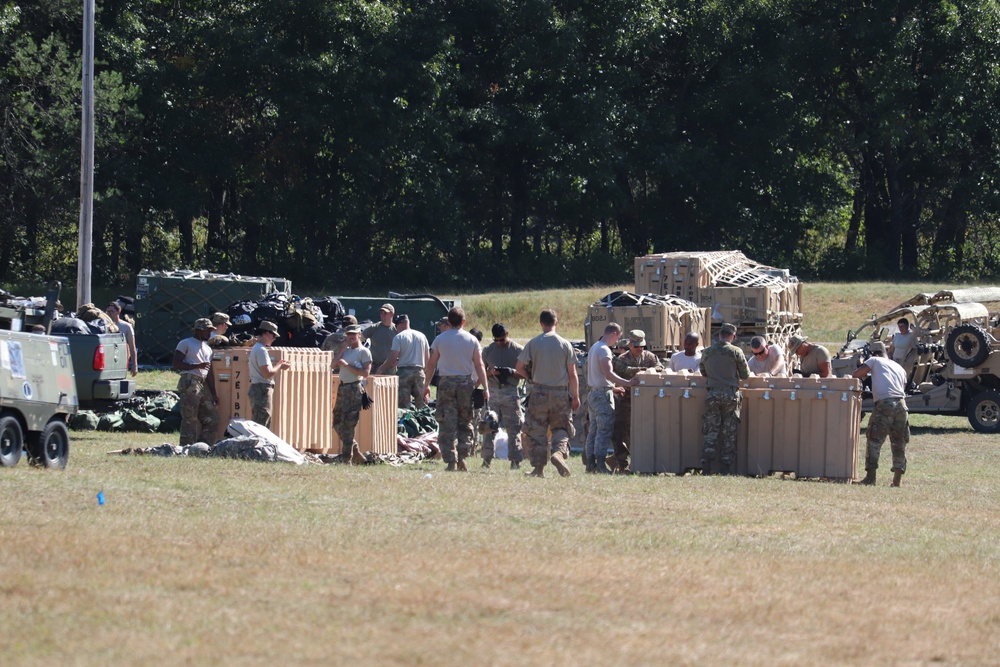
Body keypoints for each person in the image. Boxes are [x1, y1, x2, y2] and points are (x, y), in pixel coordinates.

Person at [515, 309, 581, 478]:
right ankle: (558, 453)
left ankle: (538, 469)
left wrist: (531, 376)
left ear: (541, 324)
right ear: (556, 323)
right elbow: (573, 374)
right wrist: (576, 396)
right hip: (560, 394)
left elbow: (519, 368)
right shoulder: (565, 344)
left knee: (537, 430)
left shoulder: (533, 343)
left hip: (539, 392)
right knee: (561, 427)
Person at [422, 307, 488, 471]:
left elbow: (431, 364)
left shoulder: (440, 339)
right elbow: (479, 365)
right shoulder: (472, 340)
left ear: (449, 322)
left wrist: (425, 386)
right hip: (466, 383)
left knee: (446, 422)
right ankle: (463, 458)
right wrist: (486, 387)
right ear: (463, 322)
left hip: (446, 383)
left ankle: (451, 461)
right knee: (465, 422)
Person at [852, 341, 909, 487]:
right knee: (898, 442)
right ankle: (897, 481)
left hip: (885, 404)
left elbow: (856, 374)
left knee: (874, 439)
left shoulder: (874, 360)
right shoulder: (899, 367)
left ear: (873, 352)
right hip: (902, 405)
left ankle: (870, 478)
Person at [699, 323, 750, 474]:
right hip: (730, 395)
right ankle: (725, 467)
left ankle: (707, 464)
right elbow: (745, 374)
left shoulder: (707, 352)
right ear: (732, 336)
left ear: (719, 334)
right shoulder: (736, 351)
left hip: (712, 394)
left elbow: (703, 371)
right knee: (729, 432)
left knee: (711, 430)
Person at [585, 323, 637, 474]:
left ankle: (590, 464)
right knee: (603, 431)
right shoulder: (604, 350)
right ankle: (600, 466)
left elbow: (597, 375)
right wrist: (628, 383)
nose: (617, 341)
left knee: (593, 431)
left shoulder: (595, 347)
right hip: (602, 396)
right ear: (614, 333)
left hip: (594, 393)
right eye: (618, 337)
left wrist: (613, 387)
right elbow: (608, 373)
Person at [610, 329, 662, 472]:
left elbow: (659, 368)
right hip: (626, 402)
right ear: (630, 345)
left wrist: (645, 370)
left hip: (645, 402)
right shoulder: (621, 359)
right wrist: (645, 370)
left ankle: (645, 463)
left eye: (642, 346)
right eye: (637, 346)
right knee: (619, 433)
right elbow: (623, 370)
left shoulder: (650, 357)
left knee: (645, 433)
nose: (640, 349)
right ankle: (622, 463)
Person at [481, 323, 525, 469]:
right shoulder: (488, 351)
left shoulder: (518, 350)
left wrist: (511, 372)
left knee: (514, 428)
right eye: (496, 340)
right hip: (493, 392)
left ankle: (515, 460)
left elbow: (526, 375)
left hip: (510, 392)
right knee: (488, 426)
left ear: (507, 333)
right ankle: (486, 459)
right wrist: (491, 373)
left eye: (502, 339)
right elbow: (482, 374)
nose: (499, 343)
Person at [172, 318, 220, 446]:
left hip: (202, 384)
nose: (210, 334)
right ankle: (186, 448)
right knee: (190, 419)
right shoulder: (185, 343)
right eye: (207, 331)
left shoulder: (208, 349)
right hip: (190, 381)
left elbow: (209, 372)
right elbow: (176, 364)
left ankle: (202, 447)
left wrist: (214, 394)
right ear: (199, 330)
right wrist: (196, 365)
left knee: (212, 419)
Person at [333, 324, 372, 464]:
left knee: (349, 424)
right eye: (349, 334)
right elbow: (332, 365)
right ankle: (354, 450)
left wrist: (347, 366)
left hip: (354, 389)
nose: (351, 337)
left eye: (353, 334)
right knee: (337, 422)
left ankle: (346, 458)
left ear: (359, 335)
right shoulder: (346, 350)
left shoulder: (364, 352)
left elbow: (366, 373)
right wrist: (342, 350)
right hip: (342, 388)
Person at [377, 314, 429, 410]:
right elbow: (427, 358)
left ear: (400, 325)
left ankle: (405, 423)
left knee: (403, 406)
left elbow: (393, 358)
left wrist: (381, 368)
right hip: (419, 372)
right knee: (422, 404)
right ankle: (424, 423)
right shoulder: (422, 336)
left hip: (404, 373)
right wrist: (425, 374)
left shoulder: (399, 337)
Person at [248, 320, 291, 428]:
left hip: (258, 388)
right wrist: (280, 365)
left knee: (260, 422)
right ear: (266, 334)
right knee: (261, 425)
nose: (274, 339)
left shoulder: (257, 348)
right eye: (273, 336)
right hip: (262, 389)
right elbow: (267, 374)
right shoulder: (261, 350)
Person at [106, 302, 138, 377]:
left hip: (121, 359)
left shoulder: (126, 327)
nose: (109, 314)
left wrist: (134, 365)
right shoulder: (103, 325)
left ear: (118, 312)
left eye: (112, 311)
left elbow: (132, 347)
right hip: (108, 358)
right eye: (108, 311)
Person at [362, 303, 397, 370]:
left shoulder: (397, 330)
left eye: (385, 313)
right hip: (374, 365)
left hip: (390, 366)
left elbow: (405, 348)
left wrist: (399, 361)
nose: (383, 315)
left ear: (392, 314)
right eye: (381, 313)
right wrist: (366, 360)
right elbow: (358, 341)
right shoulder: (374, 328)